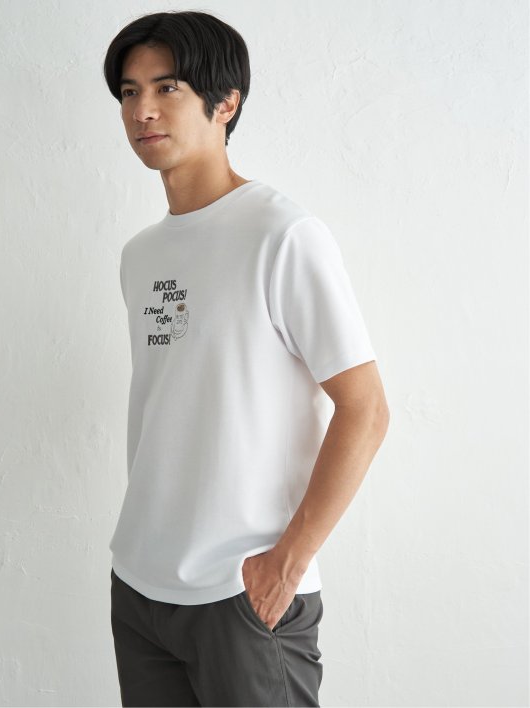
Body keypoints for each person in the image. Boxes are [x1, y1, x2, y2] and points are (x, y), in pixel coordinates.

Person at [102, 10, 390, 707]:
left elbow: (366, 409)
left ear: (225, 102)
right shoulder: (141, 255)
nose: (142, 110)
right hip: (141, 588)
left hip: (243, 594)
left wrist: (286, 564)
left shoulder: (281, 234)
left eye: (167, 88)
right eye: (129, 92)